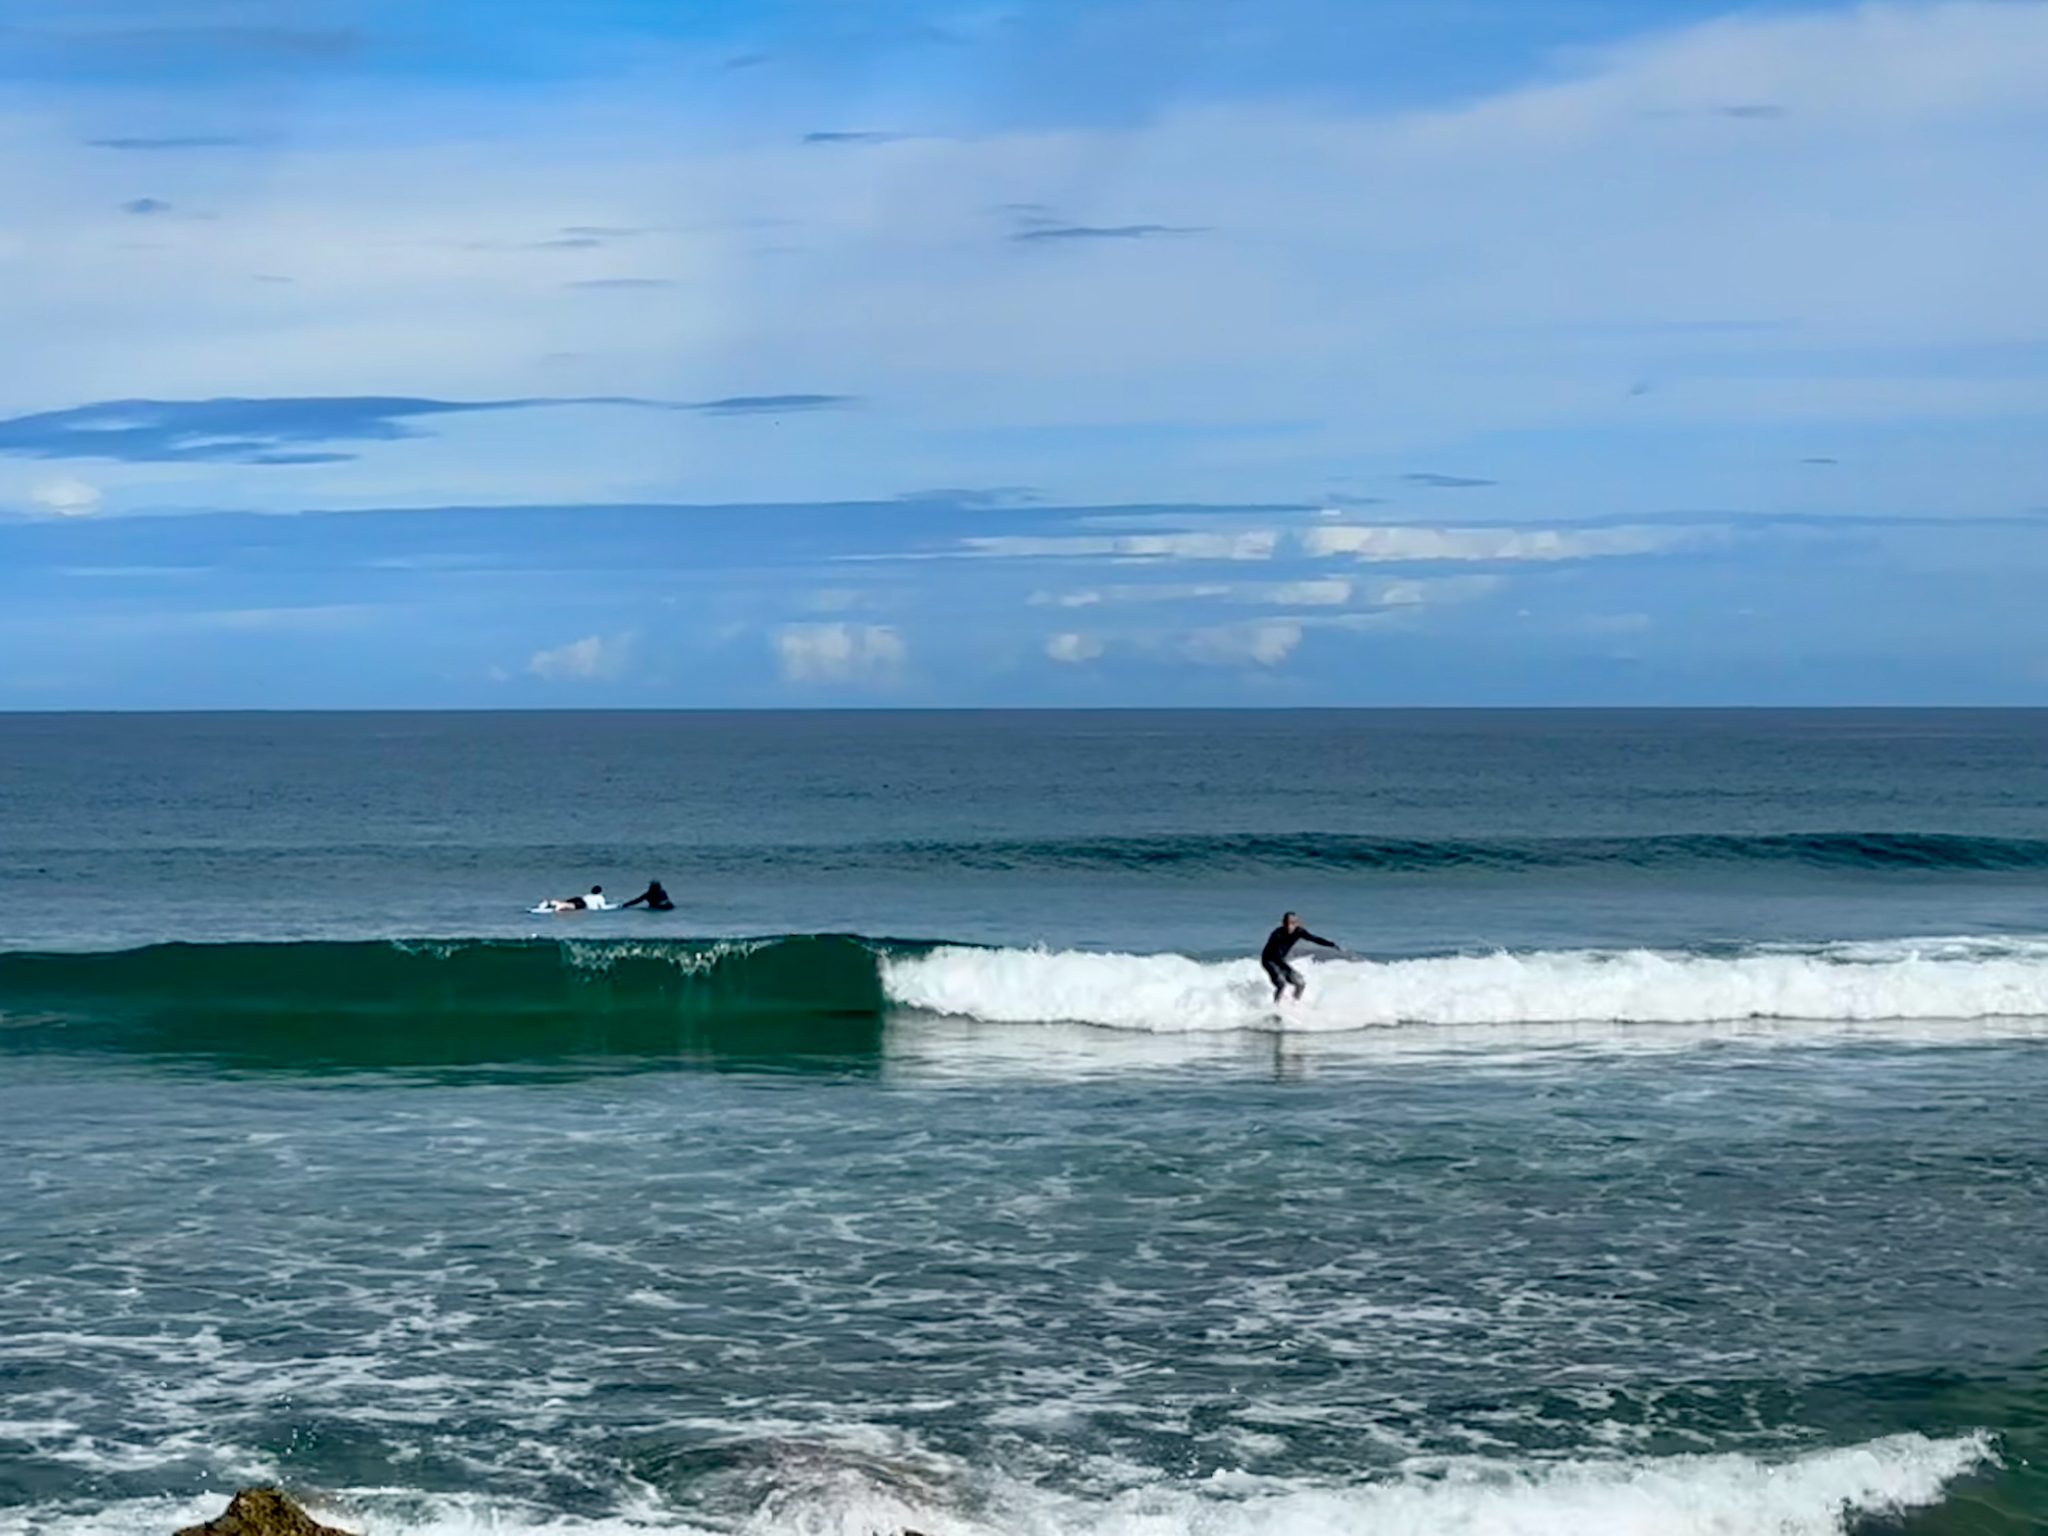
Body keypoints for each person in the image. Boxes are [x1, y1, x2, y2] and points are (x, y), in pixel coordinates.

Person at [1261, 911, 1337, 1002]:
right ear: (1283, 923)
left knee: (1300, 984)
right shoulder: (1277, 934)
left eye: (1292, 924)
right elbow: (1277, 954)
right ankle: (1276, 1005)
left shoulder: (1299, 932)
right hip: (1269, 960)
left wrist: (1331, 944)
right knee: (1281, 983)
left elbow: (1313, 938)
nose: (1289, 927)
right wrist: (1286, 968)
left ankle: (1294, 1003)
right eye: (1286, 923)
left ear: (1296, 923)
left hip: (1281, 961)